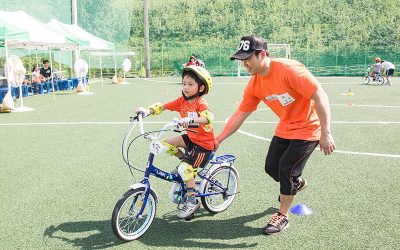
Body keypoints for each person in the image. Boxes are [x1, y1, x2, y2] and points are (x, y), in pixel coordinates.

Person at [215, 35, 335, 235]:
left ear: (262, 54)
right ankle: (296, 184)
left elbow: (319, 94)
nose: (244, 63)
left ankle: (283, 216)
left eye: (248, 58)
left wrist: (326, 132)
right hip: (285, 127)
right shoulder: (254, 85)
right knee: (271, 168)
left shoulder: (289, 70)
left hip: (308, 128)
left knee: (287, 168)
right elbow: (239, 115)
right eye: (241, 59)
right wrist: (218, 139)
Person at [137, 65, 214, 219]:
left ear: (201, 88)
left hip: (203, 146)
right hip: (191, 139)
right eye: (184, 83)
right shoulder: (181, 102)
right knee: (165, 144)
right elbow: (163, 106)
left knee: (185, 169)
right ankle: (184, 162)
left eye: (190, 84)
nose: (186, 87)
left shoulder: (200, 102)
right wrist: (147, 111)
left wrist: (191, 119)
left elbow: (208, 117)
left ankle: (192, 201)